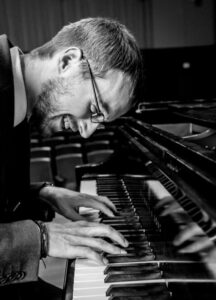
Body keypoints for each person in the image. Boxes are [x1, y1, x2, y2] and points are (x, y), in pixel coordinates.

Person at [0, 17, 142, 297]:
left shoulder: (18, 100)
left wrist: (41, 194)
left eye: (100, 121)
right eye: (94, 107)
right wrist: (41, 237)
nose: (87, 133)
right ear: (68, 62)